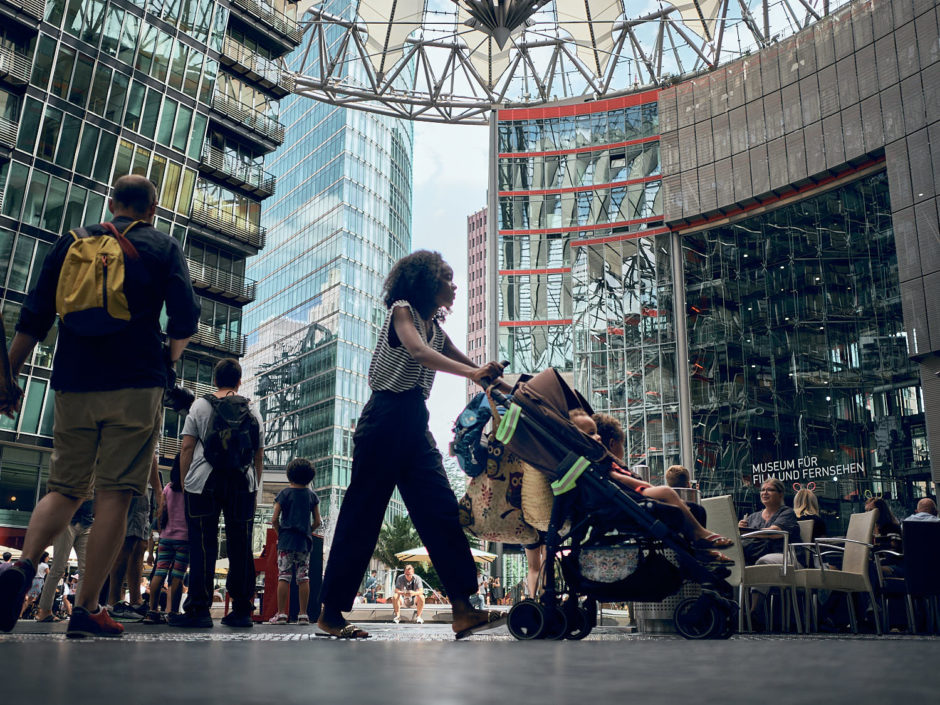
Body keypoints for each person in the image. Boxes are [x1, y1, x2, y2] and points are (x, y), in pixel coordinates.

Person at [0, 175, 199, 637]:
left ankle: (24, 566)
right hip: (136, 382)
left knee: (65, 486)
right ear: (152, 209)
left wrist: (9, 375)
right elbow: (185, 319)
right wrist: (166, 360)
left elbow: (34, 315)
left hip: (74, 381)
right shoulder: (163, 247)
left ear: (112, 204)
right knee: (115, 491)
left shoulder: (70, 242)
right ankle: (88, 608)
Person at [316, 250, 509, 639]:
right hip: (384, 417)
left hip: (413, 421)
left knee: (440, 510)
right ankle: (331, 613)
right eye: (447, 278)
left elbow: (464, 362)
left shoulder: (434, 325)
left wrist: (503, 384)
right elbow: (420, 353)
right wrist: (475, 372)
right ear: (427, 280)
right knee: (362, 516)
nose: (453, 286)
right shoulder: (403, 311)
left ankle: (462, 608)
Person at [169, 358, 263, 629]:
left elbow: (187, 447)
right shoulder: (253, 410)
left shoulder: (200, 404)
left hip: (203, 482)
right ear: (239, 380)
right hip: (242, 483)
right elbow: (259, 454)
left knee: (202, 544)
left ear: (214, 380)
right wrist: (254, 487)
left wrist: (187, 482)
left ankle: (199, 609)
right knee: (240, 546)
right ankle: (242, 611)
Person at [569, 410, 733, 554]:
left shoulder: (601, 461)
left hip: (627, 497)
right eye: (591, 433)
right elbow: (618, 479)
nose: (597, 437)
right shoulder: (594, 465)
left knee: (696, 510)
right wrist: (646, 487)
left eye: (596, 432)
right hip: (628, 500)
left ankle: (698, 552)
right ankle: (698, 534)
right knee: (667, 494)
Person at [268, 458, 321, 625]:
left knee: (284, 576)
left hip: (286, 542)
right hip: (304, 543)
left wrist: (280, 533)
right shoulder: (312, 496)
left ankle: (282, 614)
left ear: (289, 475)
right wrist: (307, 531)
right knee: (303, 577)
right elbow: (318, 522)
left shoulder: (284, 494)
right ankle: (303, 615)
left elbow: (274, 518)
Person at [109, 456, 163, 621]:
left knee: (140, 544)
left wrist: (157, 491)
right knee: (127, 543)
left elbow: (152, 457)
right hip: (130, 485)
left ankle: (135, 601)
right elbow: (149, 454)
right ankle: (115, 603)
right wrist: (159, 491)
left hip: (142, 487)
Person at [143, 457, 189, 625]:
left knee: (159, 572)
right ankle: (174, 612)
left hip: (165, 538)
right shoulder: (189, 489)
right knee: (177, 576)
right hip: (184, 540)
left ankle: (152, 611)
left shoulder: (168, 489)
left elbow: (160, 512)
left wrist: (163, 531)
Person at [35, 500, 93, 623]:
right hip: (66, 520)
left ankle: (79, 612)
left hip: (87, 523)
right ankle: (44, 611)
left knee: (86, 571)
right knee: (58, 568)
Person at [738, 477, 801, 565]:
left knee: (764, 560)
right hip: (754, 556)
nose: (764, 493)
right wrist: (739, 529)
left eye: (770, 490)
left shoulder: (787, 512)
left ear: (780, 494)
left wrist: (746, 532)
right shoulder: (753, 517)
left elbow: (774, 533)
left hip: (783, 556)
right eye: (762, 490)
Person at [22, 552, 50, 618]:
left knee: (29, 600)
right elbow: (49, 575)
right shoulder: (45, 565)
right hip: (39, 581)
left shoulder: (35, 563)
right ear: (45, 557)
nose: (48, 558)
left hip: (32, 580)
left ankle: (21, 613)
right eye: (48, 557)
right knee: (35, 599)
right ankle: (38, 615)